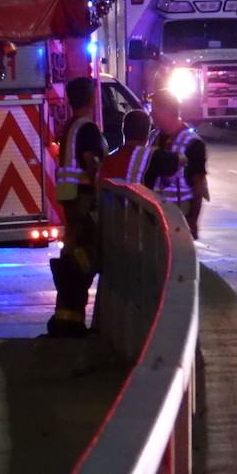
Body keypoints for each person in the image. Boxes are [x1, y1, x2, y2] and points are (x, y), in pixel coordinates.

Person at [47, 76, 106, 338]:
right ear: (91, 98)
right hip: (83, 198)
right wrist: (98, 189)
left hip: (70, 199)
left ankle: (68, 316)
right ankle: (72, 315)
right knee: (85, 255)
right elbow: (91, 161)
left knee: (73, 253)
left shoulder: (71, 126)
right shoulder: (88, 128)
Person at [147, 89, 208, 239]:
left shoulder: (192, 143)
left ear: (167, 110)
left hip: (179, 215)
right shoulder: (154, 137)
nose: (151, 114)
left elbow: (198, 185)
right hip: (155, 214)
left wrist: (193, 220)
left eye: (154, 109)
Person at [98, 108, 182, 188]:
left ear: (123, 130)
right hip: (137, 202)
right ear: (147, 134)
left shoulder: (109, 158)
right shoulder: (151, 157)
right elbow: (181, 160)